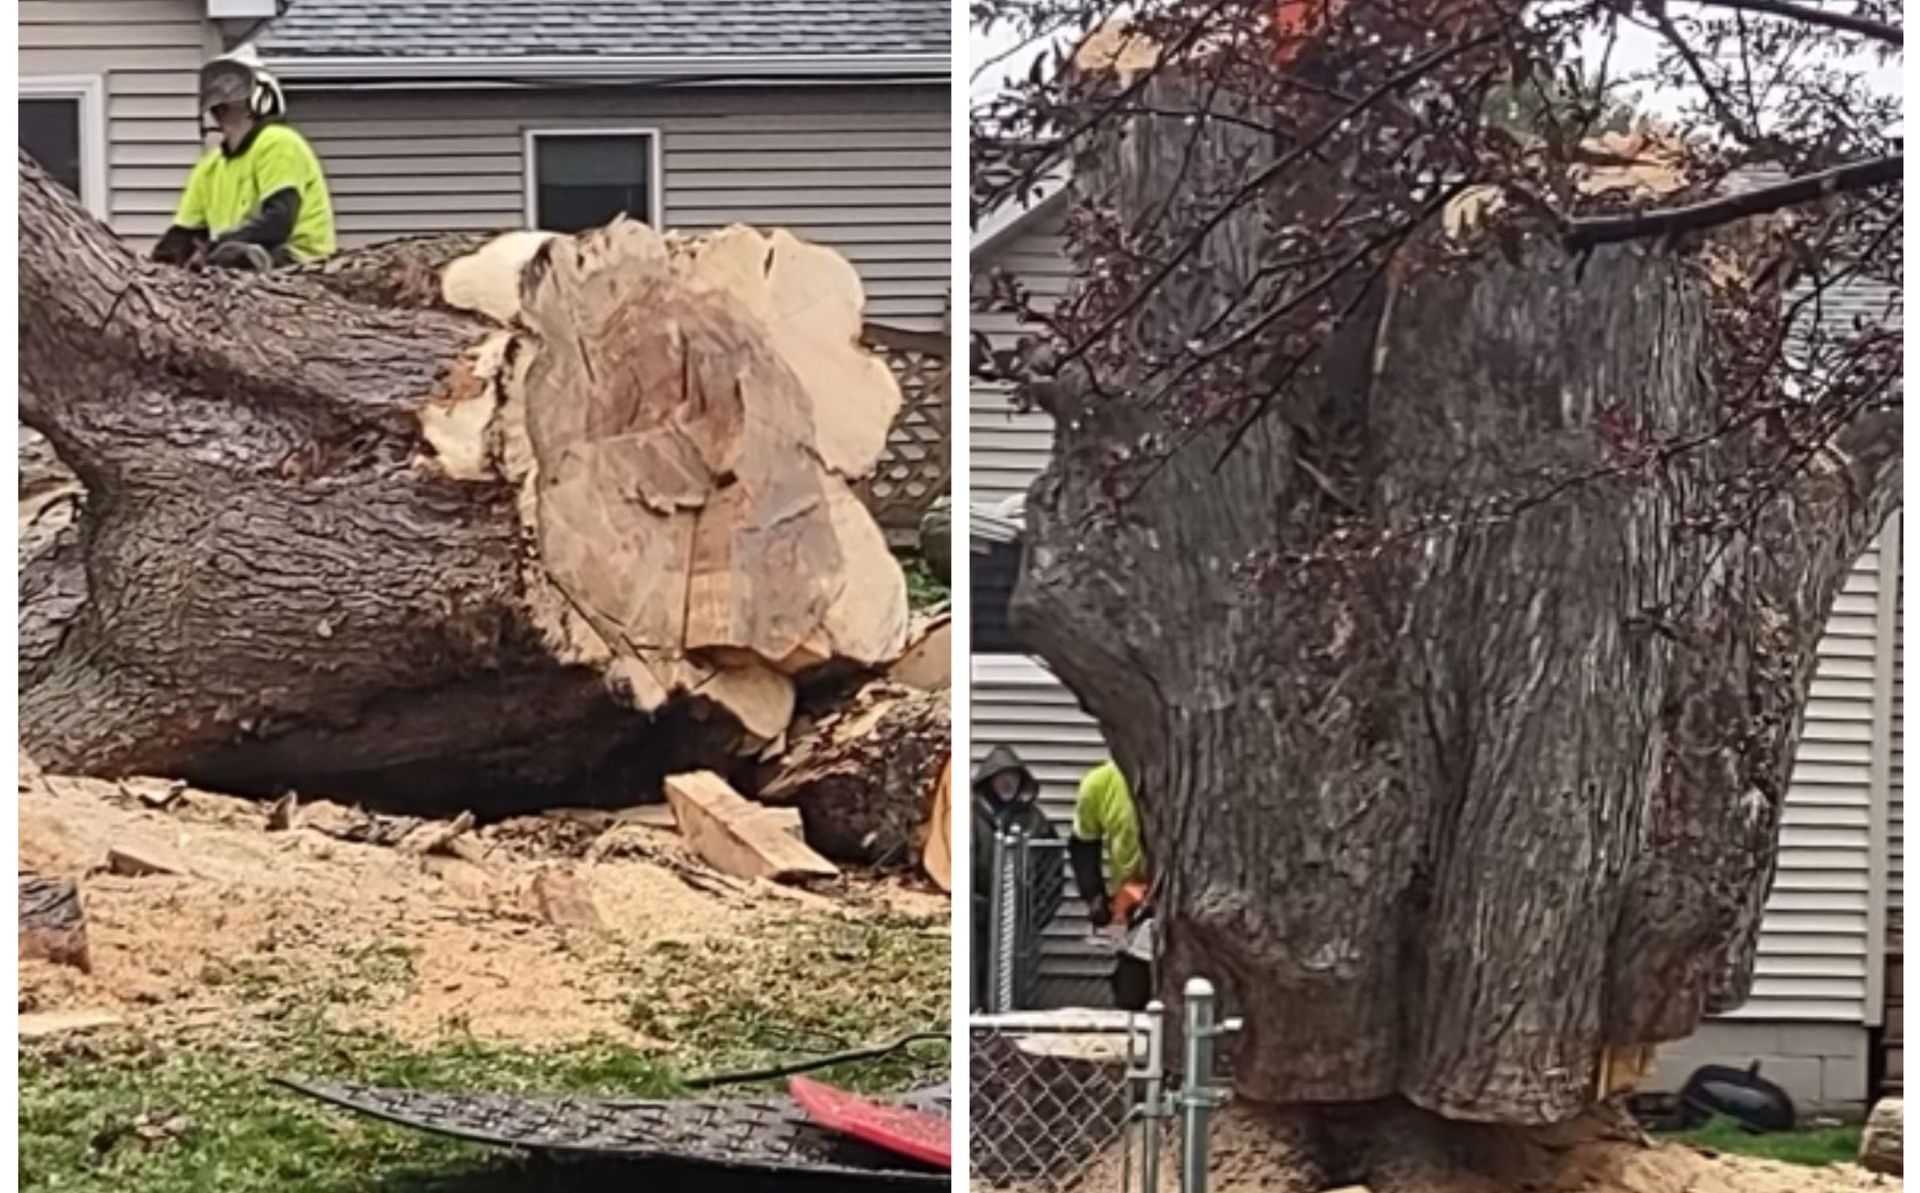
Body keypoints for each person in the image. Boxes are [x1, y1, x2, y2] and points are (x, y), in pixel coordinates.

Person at [152, 53, 337, 272]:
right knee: (223, 259)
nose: (221, 111)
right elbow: (183, 234)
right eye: (218, 106)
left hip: (297, 260)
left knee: (231, 256)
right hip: (230, 260)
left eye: (229, 104)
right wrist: (158, 266)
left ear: (259, 101)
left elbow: (278, 221)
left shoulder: (278, 142)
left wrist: (216, 247)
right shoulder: (210, 166)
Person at [971, 746, 1064, 1011]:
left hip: (1020, 928)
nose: (1008, 783)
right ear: (989, 780)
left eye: (1013, 776)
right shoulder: (969, 817)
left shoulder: (1035, 821)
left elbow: (1052, 873)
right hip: (977, 924)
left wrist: (1033, 916)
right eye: (1002, 777)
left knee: (1019, 988)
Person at [1069, 759, 1152, 1010]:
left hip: (1182, 898)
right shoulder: (1100, 783)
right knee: (1133, 986)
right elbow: (1083, 845)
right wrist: (1094, 895)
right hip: (1132, 900)